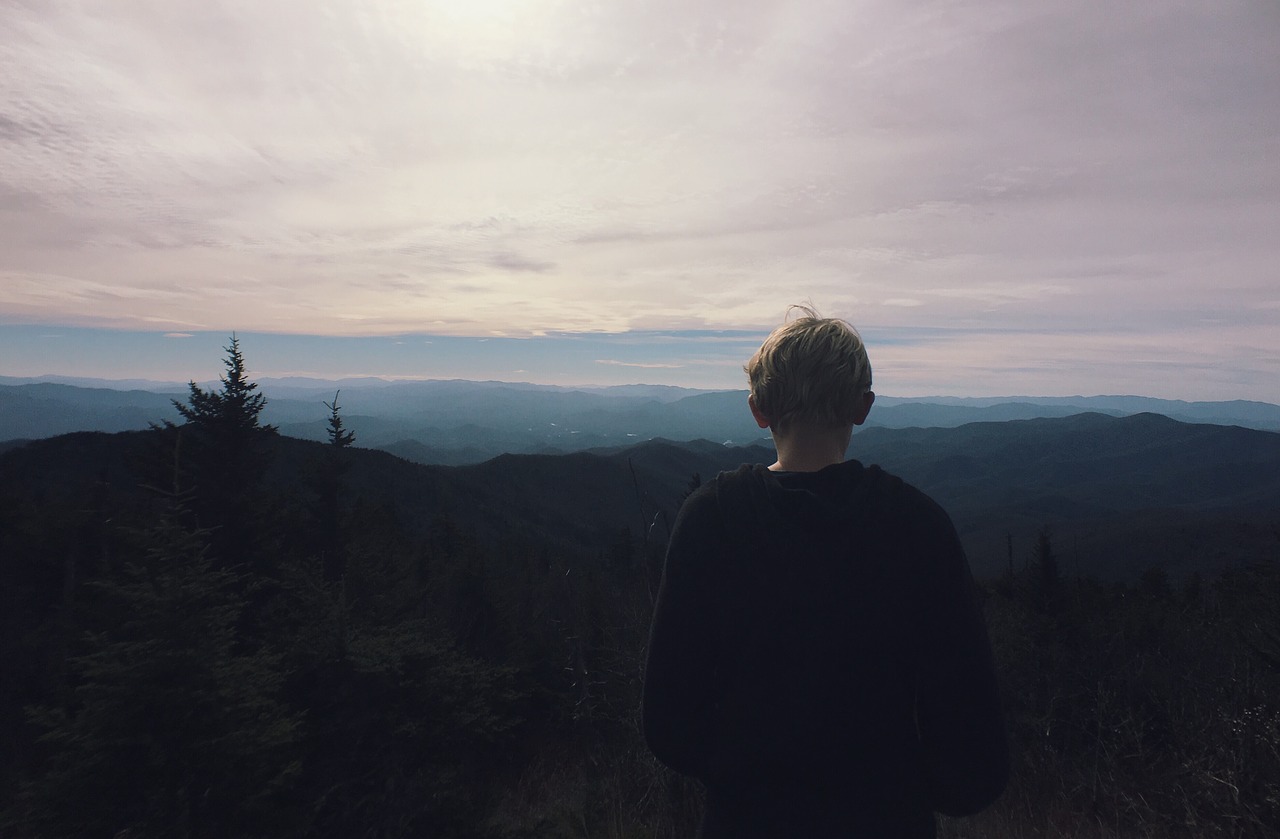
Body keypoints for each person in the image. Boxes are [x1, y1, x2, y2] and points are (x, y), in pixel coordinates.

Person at [641, 305, 1009, 838]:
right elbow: (972, 746)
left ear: (758, 410)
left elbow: (668, 723)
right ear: (863, 407)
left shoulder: (710, 520)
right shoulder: (918, 528)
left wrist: (745, 778)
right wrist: (901, 794)